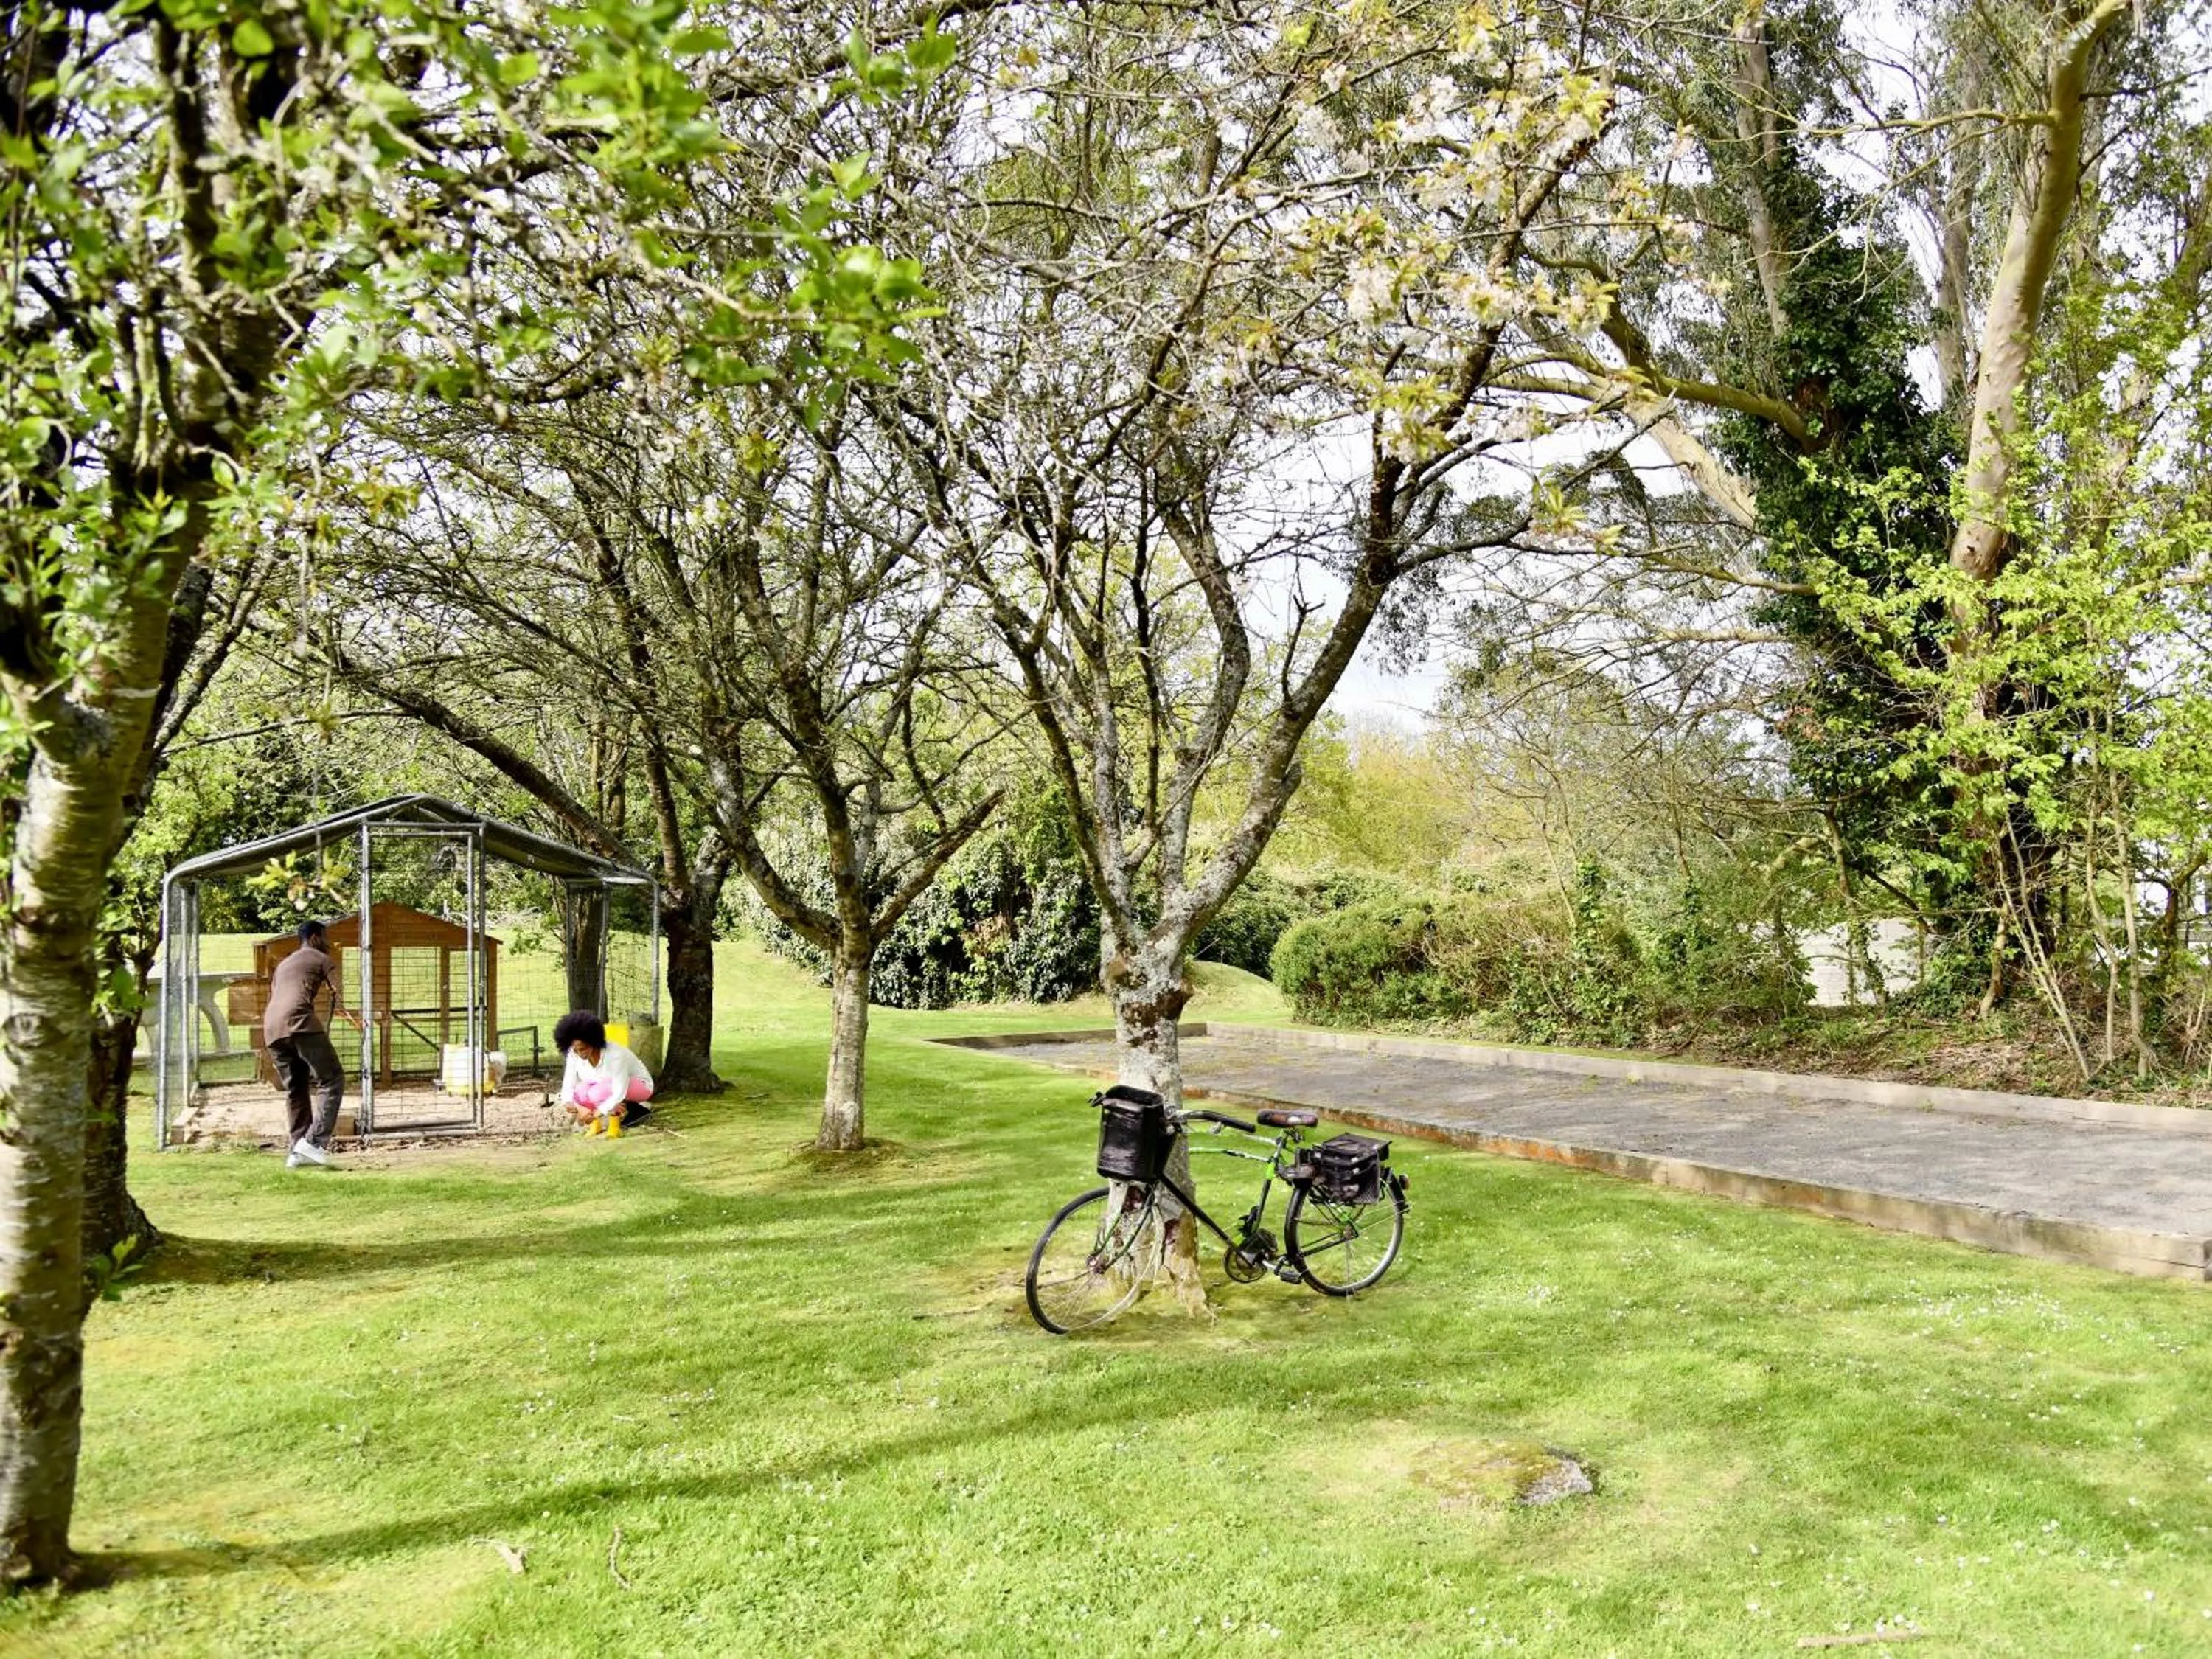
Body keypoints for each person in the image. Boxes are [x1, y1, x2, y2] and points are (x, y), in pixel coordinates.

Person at [265, 919, 347, 1169]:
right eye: (325, 938)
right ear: (313, 938)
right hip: (299, 1022)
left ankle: (298, 1150)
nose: (329, 943)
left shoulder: (284, 963)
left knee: (296, 1088)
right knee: (332, 1079)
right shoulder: (322, 958)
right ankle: (313, 1144)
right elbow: (338, 990)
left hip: (272, 1029)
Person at [554, 1011, 655, 1138]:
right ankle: (596, 1125)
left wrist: (598, 1112)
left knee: (597, 1093)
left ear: (594, 1041)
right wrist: (576, 1107)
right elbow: (568, 1086)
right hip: (603, 1087)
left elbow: (619, 1092)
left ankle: (615, 1125)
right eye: (576, 1050)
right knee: (581, 1093)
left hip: (640, 1086)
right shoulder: (573, 1054)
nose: (580, 1054)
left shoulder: (616, 1055)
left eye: (583, 1048)